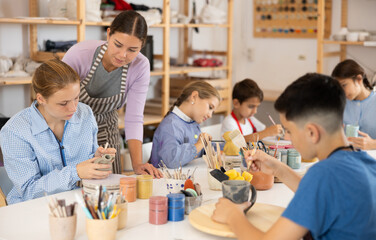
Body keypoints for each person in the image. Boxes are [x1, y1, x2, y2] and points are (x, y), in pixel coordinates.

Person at [212, 73, 376, 240]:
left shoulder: (322, 175)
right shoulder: (365, 162)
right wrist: (277, 168)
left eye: (289, 131)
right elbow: (321, 193)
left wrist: (233, 215)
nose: (287, 138)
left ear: (312, 132)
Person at [0, 59, 116, 204]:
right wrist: (75, 172)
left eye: (76, 98)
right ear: (41, 99)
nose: (74, 108)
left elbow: (87, 165)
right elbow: (29, 191)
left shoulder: (85, 113)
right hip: (32, 209)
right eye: (63, 103)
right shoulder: (15, 131)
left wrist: (97, 158)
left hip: (78, 202)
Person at [62, 11, 162, 177]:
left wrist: (137, 164)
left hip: (107, 135)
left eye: (132, 49)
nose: (122, 55)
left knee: (110, 191)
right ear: (108, 34)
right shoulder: (80, 54)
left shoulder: (141, 66)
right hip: (71, 131)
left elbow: (134, 118)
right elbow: (58, 100)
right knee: (75, 191)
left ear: (142, 46)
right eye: (117, 44)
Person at [150, 81, 221, 168]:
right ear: (194, 97)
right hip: (165, 179)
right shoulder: (171, 125)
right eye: (210, 107)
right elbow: (171, 161)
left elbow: (199, 152)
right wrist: (199, 144)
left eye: (212, 111)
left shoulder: (193, 123)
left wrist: (224, 146)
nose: (210, 115)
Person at [332, 59, 376, 150]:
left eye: (344, 85)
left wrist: (373, 144)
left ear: (359, 79)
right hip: (347, 158)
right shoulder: (340, 103)